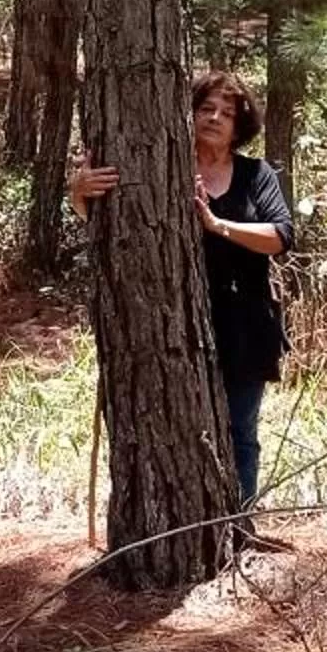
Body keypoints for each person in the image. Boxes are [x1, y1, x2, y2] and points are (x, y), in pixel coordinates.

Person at [66, 71, 294, 507]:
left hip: (245, 325)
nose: (214, 118)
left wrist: (216, 225)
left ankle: (238, 524)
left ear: (240, 126)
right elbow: (111, 226)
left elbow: (281, 236)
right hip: (169, 324)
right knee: (172, 433)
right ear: (186, 114)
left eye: (226, 113)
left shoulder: (255, 174)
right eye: (205, 108)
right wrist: (79, 195)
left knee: (240, 432)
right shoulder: (162, 162)